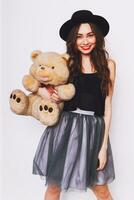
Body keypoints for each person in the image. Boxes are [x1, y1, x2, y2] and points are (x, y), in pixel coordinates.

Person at [32, 10, 116, 200]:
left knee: (101, 189)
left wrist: (103, 149)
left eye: (89, 35)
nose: (85, 41)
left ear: (97, 36)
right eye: (79, 37)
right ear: (73, 40)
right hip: (65, 129)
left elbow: (108, 106)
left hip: (94, 131)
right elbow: (37, 84)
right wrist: (50, 95)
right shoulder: (65, 62)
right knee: (54, 187)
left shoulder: (109, 65)